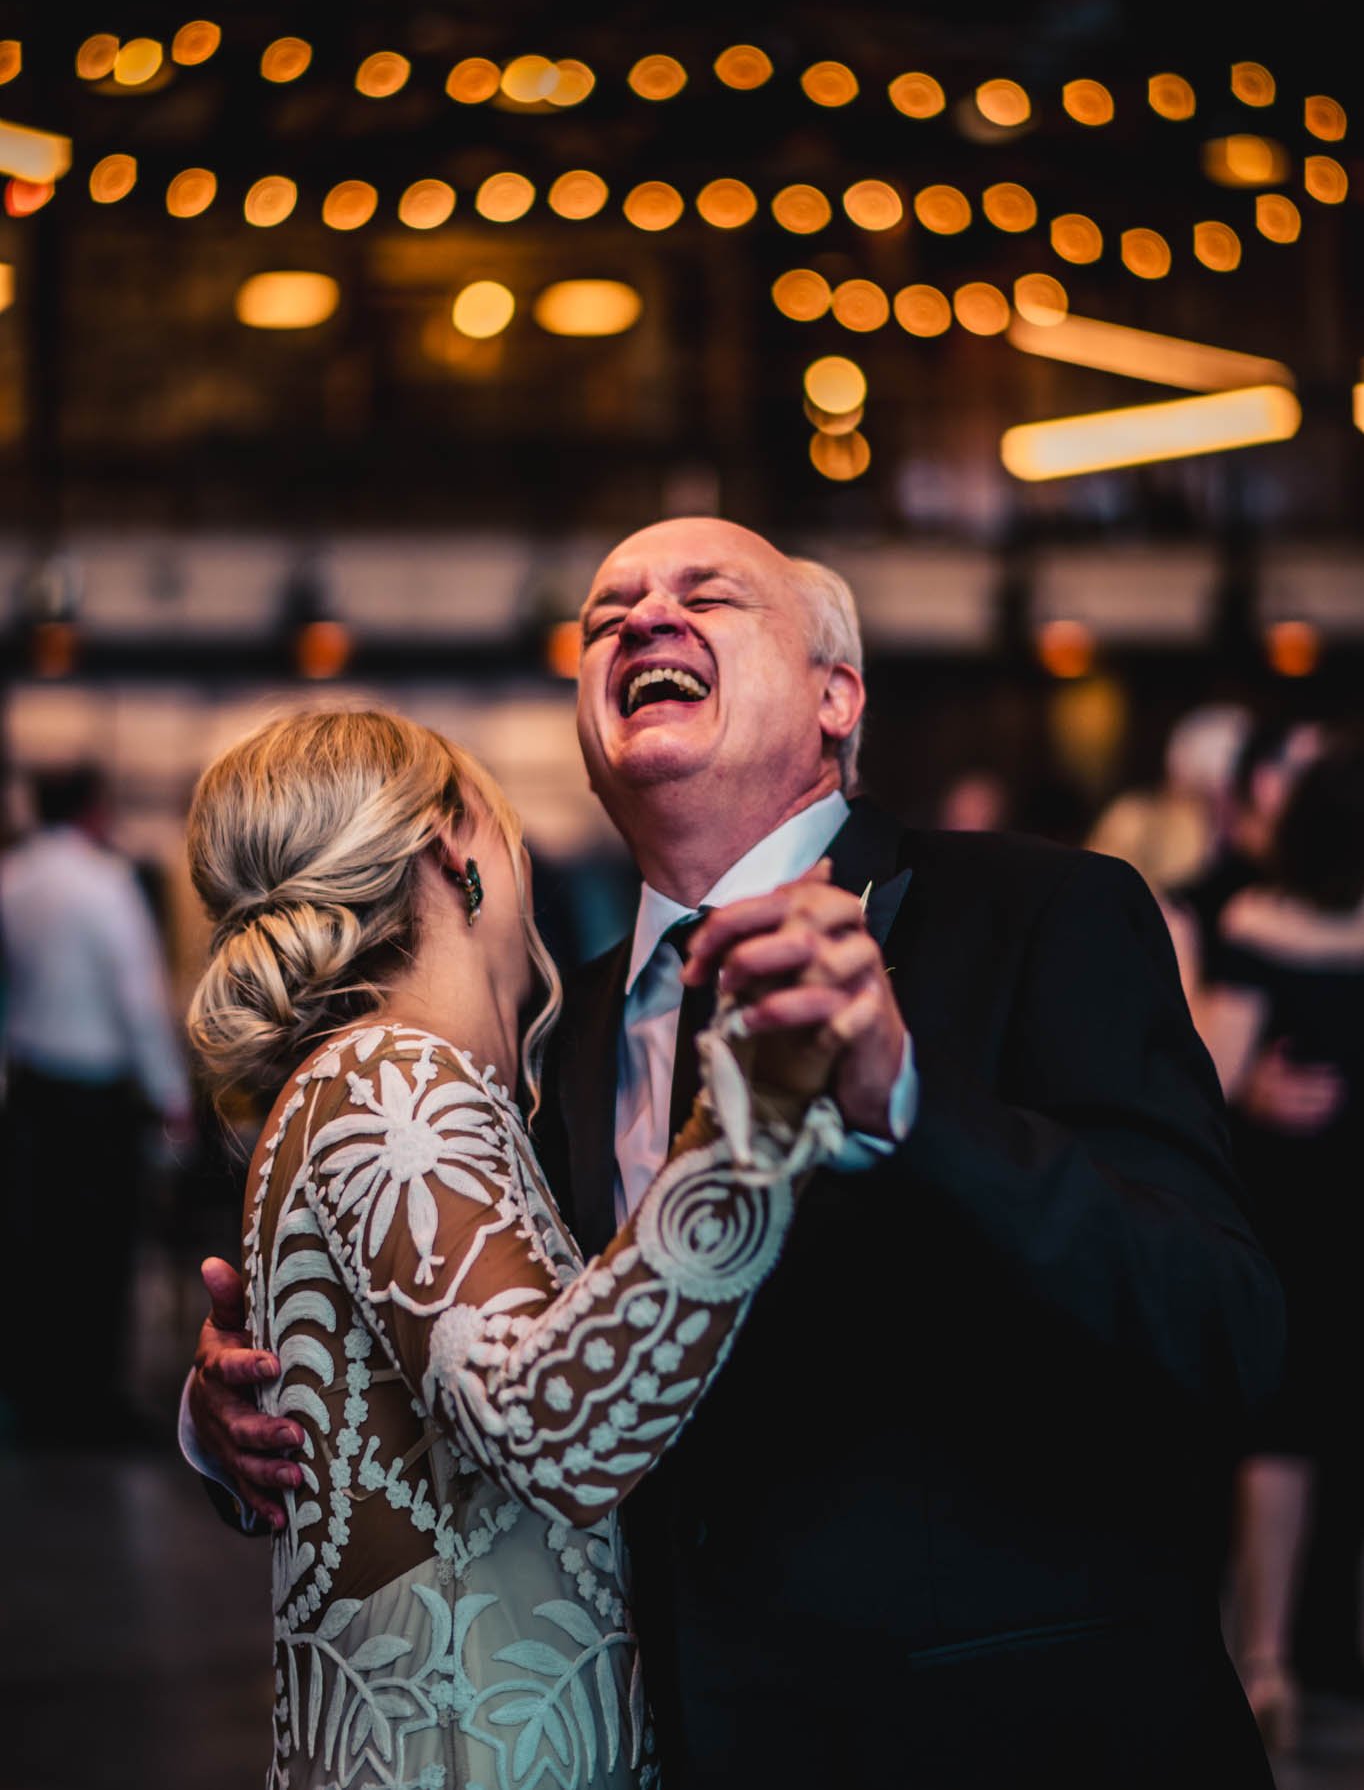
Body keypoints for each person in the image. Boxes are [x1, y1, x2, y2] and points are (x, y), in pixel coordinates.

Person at [189, 518, 1284, 1788]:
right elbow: (495, 1370)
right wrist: (259, 1414)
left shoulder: (1040, 914)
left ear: (836, 697)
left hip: (1015, 1740)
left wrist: (904, 1103)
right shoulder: (547, 1040)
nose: (646, 619)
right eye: (606, 615)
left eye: (707, 594)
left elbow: (1227, 1326)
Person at [182, 705, 855, 1789]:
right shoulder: (389, 1080)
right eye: (506, 827)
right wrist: (756, 1114)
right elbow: (553, 1426)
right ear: (456, 848)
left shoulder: (361, 1086)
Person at [1199, 742, 1364, 1752]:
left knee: (1281, 1433)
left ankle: (1262, 1657)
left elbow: (1209, 1074)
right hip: (1340, 1200)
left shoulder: (1255, 923)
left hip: (1288, 1205)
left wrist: (1256, 1090)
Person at [1, 762, 191, 1445]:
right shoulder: (106, 884)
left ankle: (36, 1398)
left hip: (29, 1093)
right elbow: (138, 999)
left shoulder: (13, 878)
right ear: (92, 808)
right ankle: (92, 1402)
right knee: (100, 1254)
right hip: (95, 1097)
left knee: (35, 1249)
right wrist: (173, 1092)